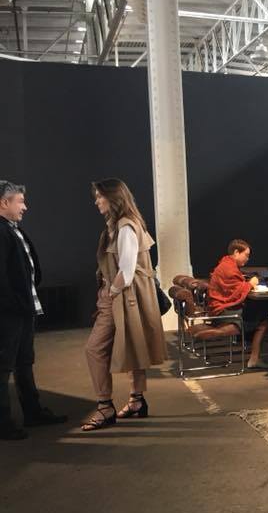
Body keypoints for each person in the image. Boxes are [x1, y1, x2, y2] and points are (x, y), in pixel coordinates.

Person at [81, 179, 166, 431]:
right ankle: (137, 400)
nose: (96, 201)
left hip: (121, 296)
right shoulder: (120, 225)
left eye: (100, 196)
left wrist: (111, 292)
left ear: (114, 198)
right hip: (128, 296)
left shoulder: (125, 227)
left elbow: (126, 271)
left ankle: (105, 407)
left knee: (94, 349)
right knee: (133, 345)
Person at [0, 181, 67, 440]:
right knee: (4, 367)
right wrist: (15, 305)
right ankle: (3, 423)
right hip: (10, 314)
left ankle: (33, 412)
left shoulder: (12, 229)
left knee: (24, 362)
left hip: (23, 310)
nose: (25, 207)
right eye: (20, 201)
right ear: (4, 202)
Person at [208, 239, 268, 369]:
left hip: (220, 309)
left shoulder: (226, 264)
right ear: (236, 252)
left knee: (258, 312)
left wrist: (246, 284)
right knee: (264, 319)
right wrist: (250, 284)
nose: (247, 259)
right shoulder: (228, 269)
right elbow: (236, 292)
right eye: (246, 255)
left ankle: (255, 355)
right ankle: (254, 359)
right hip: (223, 312)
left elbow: (235, 287)